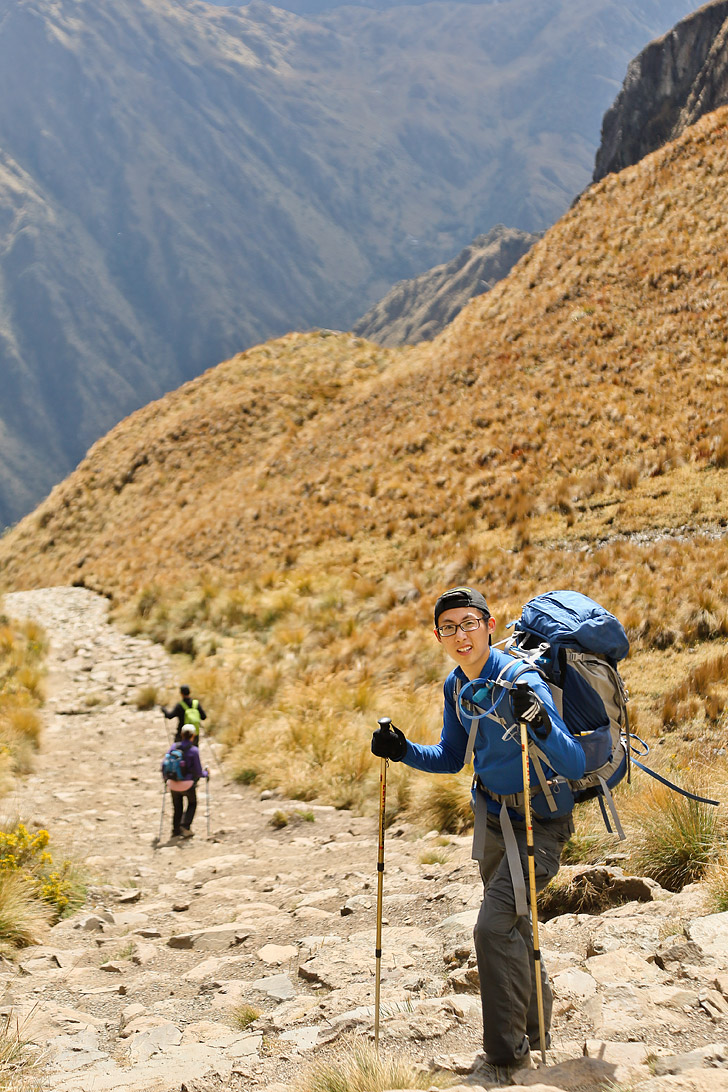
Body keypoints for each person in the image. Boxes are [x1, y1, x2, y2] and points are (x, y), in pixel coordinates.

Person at [371, 586, 585, 1087]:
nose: (460, 635)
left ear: (490, 625)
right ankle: (535, 1030)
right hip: (492, 820)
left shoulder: (520, 680)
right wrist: (401, 749)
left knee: (492, 928)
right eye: (449, 627)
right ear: (439, 636)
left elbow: (573, 761)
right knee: (512, 923)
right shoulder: (456, 687)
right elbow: (450, 756)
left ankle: (505, 1056)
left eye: (469, 623)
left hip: (540, 820)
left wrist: (540, 724)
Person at [162, 725, 209, 839]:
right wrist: (206, 774)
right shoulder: (193, 750)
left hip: (173, 783)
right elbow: (198, 772)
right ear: (193, 736)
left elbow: (165, 763)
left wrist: (165, 779)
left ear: (181, 735)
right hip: (187, 784)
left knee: (177, 807)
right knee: (192, 804)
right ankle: (185, 826)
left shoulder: (174, 746)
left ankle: (175, 830)